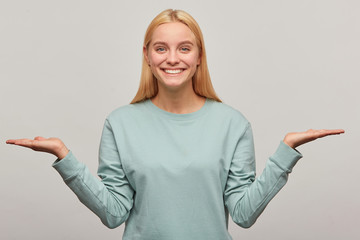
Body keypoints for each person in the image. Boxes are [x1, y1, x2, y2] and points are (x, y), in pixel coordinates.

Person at [6, 9, 344, 240]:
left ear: (199, 57)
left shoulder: (233, 124)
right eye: (161, 48)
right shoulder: (120, 123)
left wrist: (285, 152)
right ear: (147, 56)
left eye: (184, 48)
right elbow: (113, 213)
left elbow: (243, 213)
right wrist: (64, 156)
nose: (172, 58)